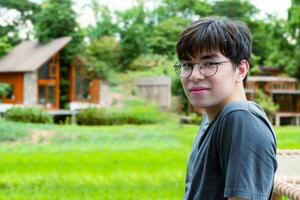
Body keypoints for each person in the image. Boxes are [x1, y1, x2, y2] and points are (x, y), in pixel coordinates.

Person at [174, 17, 277, 200]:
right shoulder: (212, 117)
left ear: (241, 70)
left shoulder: (242, 119)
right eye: (187, 65)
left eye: (209, 64)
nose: (195, 75)